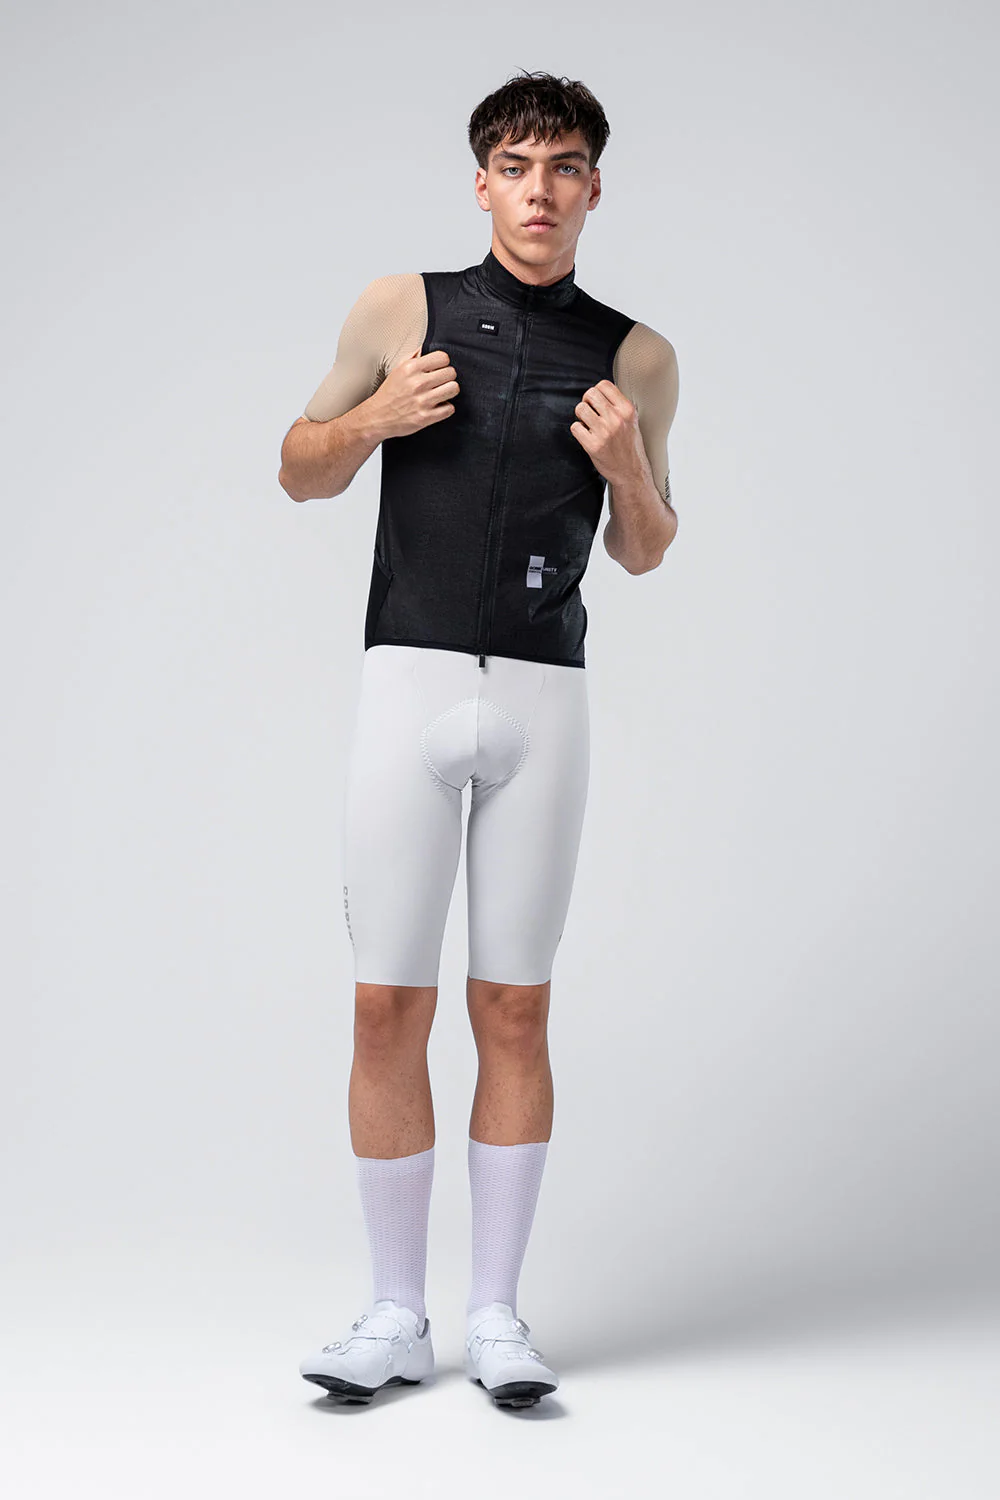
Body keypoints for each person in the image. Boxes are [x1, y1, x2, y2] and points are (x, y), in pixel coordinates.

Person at [278, 70, 679, 1409]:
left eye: (563, 167)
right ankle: (396, 1314)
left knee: (515, 1007)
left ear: (595, 187)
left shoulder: (637, 357)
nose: (539, 191)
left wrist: (626, 470)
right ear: (481, 182)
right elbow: (298, 464)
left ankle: (496, 1315)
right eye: (515, 166)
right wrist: (374, 419)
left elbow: (647, 549)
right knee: (385, 1004)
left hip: (543, 699)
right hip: (409, 679)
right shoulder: (403, 306)